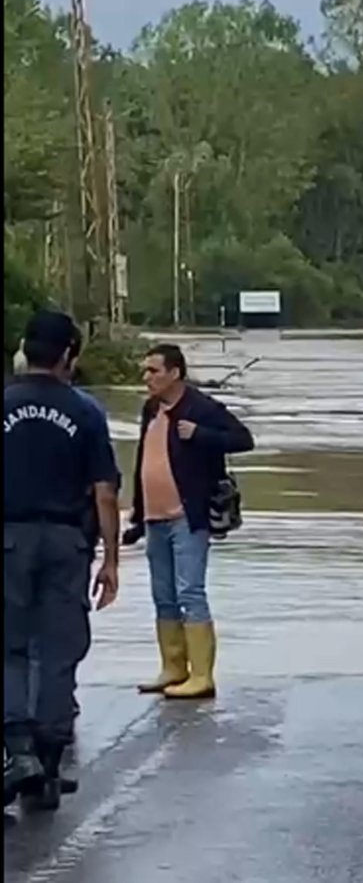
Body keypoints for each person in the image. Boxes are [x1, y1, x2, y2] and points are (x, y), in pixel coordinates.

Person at [4, 311, 120, 811]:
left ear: (24, 350)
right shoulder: (87, 412)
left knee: (8, 649)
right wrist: (111, 560)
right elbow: (105, 492)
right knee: (57, 649)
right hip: (67, 544)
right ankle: (48, 763)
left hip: (7, 540)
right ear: (68, 355)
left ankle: (18, 750)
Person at [127, 343, 254, 700]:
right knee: (162, 595)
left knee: (190, 592)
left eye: (153, 371)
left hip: (189, 516)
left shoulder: (202, 408)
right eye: (146, 370)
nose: (146, 377)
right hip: (154, 517)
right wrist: (137, 515)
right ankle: (173, 667)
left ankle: (202, 676)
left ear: (175, 373)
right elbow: (143, 460)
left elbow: (243, 440)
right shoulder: (150, 409)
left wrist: (201, 435)